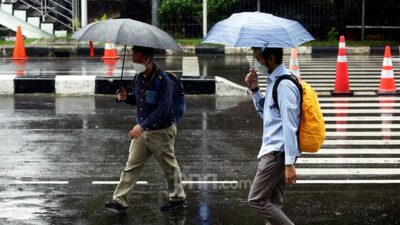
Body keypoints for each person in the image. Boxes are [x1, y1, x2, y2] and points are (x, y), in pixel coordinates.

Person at [104, 45, 187, 214]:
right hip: (142, 130)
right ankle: (120, 201)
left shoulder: (163, 81)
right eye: (133, 59)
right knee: (131, 166)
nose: (135, 62)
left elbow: (163, 109)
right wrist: (126, 97)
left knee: (169, 166)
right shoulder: (139, 78)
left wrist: (142, 126)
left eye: (137, 59)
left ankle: (178, 199)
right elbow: (140, 101)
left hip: (161, 131)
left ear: (148, 59)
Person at [245, 47, 301, 225]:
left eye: (258, 58)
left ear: (270, 58)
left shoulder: (284, 85)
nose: (256, 63)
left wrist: (289, 163)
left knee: (257, 199)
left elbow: (289, 124)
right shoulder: (274, 80)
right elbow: (268, 114)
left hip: (277, 152)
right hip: (276, 150)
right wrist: (255, 90)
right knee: (274, 204)